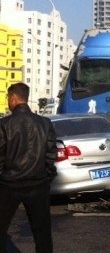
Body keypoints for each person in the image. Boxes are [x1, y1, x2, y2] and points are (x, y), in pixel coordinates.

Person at [0, 83, 58, 253]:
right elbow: (50, 155)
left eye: (7, 99)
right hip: (38, 185)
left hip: (9, 185)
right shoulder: (45, 123)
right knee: (42, 233)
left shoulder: (4, 124)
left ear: (13, 98)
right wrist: (47, 177)